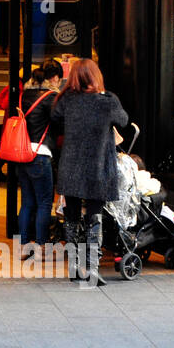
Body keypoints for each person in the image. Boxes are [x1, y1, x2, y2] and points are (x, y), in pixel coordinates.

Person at [51, 58, 129, 287]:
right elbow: (123, 120)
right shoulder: (107, 100)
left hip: (72, 165)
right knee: (95, 216)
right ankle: (93, 268)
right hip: (98, 166)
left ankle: (75, 268)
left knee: (72, 217)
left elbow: (55, 117)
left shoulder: (67, 99)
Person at [12, 59, 63, 260]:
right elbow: (59, 124)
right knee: (44, 203)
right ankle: (41, 246)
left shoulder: (25, 95)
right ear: (54, 77)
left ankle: (24, 247)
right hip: (40, 155)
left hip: (22, 153)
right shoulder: (51, 98)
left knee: (26, 203)